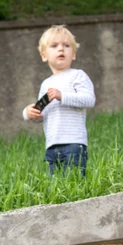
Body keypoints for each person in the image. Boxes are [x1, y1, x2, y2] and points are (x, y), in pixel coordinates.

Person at [23, 24, 96, 176]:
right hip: (52, 144)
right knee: (55, 184)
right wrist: (28, 113)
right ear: (44, 55)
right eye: (54, 46)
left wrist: (61, 95)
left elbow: (89, 100)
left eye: (66, 45)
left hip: (74, 142)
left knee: (74, 181)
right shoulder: (46, 84)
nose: (61, 49)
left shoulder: (78, 75)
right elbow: (42, 115)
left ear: (74, 54)